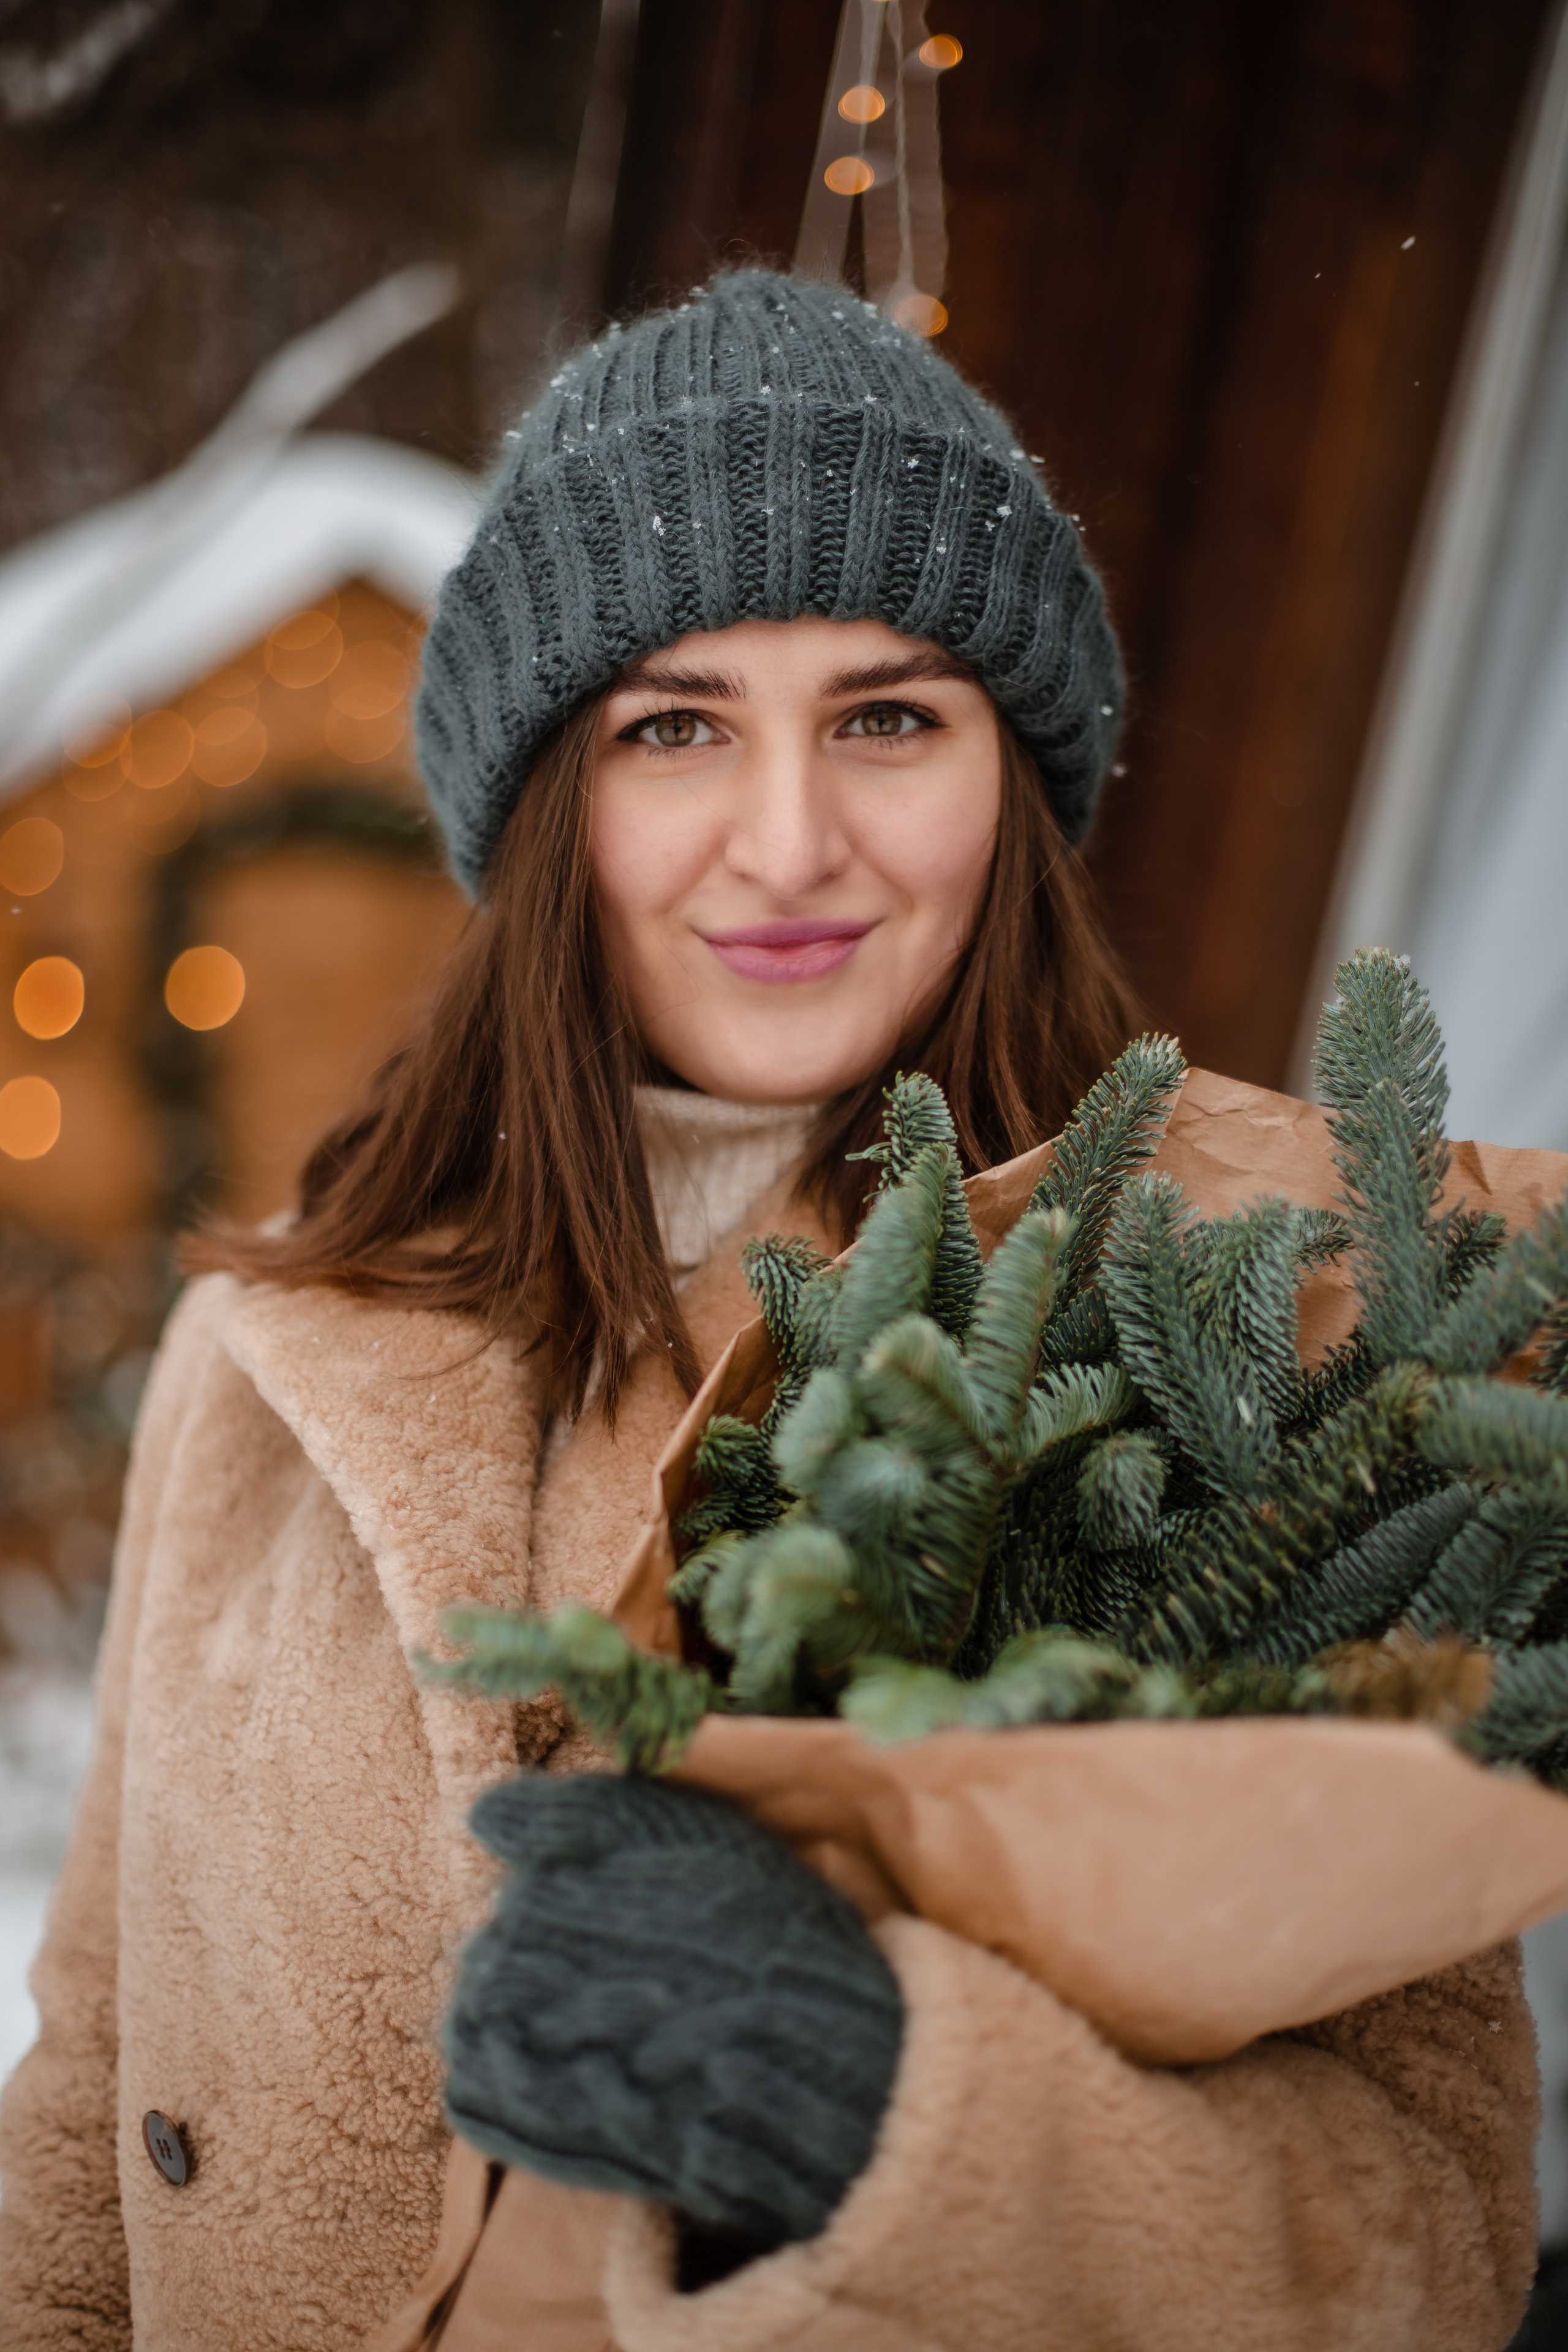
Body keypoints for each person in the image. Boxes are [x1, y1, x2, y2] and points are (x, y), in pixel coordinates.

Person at [0, 271, 1537, 2352]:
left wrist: (891, 2112)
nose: (791, 842)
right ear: (549, 798)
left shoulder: (1244, 1333)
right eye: (676, 728)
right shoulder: (289, 1326)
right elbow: (95, 2079)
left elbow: (1425, 2250)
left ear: (1018, 778)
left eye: (888, 716)